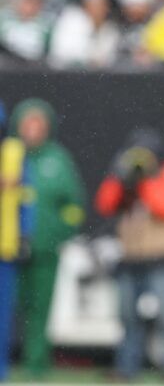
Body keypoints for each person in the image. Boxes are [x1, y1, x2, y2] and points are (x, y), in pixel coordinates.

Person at [94, 128, 164, 381]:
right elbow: (105, 205)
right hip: (130, 257)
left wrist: (146, 181)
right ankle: (126, 369)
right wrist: (120, 178)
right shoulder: (127, 178)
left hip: (163, 257)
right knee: (127, 317)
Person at [9, 98, 86, 378]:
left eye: (38, 123)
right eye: (27, 123)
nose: (32, 129)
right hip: (7, 250)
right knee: (9, 307)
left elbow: (74, 206)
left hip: (44, 251)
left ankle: (35, 366)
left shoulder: (58, 159)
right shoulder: (9, 155)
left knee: (39, 310)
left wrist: (57, 233)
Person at [0, 101, 34, 382]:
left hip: (5, 248)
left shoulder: (14, 153)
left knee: (3, 316)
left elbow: (26, 198)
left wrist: (25, 233)